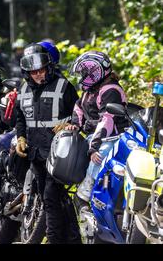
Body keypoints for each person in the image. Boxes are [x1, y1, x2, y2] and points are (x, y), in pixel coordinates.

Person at [15, 43, 80, 244]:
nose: (37, 75)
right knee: (53, 200)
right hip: (35, 154)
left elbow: (78, 114)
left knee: (50, 198)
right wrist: (20, 137)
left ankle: (53, 240)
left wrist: (70, 123)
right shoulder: (23, 89)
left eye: (40, 70)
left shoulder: (64, 86)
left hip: (58, 154)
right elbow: (20, 118)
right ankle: (73, 239)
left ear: (49, 66)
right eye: (33, 72)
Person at [64, 51, 129, 207]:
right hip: (96, 136)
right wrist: (75, 124)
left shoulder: (110, 90)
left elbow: (107, 121)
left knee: (99, 154)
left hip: (113, 138)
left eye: (83, 73)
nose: (81, 77)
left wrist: (94, 148)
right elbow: (78, 107)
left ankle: (85, 194)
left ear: (95, 72)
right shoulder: (91, 90)